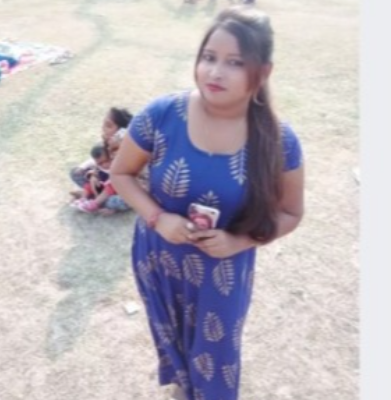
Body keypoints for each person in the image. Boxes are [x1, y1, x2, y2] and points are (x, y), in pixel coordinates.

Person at [110, 5, 304, 400]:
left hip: (223, 274)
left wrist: (239, 241)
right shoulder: (161, 115)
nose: (215, 72)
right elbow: (121, 174)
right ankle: (184, 388)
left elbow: (290, 212)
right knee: (173, 342)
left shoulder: (279, 141)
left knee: (217, 361)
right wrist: (158, 217)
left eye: (235, 62)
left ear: (263, 72)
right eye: (209, 57)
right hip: (159, 259)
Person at [69, 107, 134, 213]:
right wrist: (92, 174)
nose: (103, 129)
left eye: (108, 126)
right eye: (104, 125)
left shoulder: (130, 149)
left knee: (124, 200)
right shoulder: (105, 143)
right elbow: (97, 161)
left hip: (120, 188)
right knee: (75, 172)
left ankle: (93, 199)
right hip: (103, 182)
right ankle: (91, 197)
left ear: (121, 132)